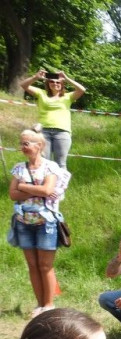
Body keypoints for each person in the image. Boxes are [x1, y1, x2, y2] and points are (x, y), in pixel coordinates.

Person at [9, 128, 70, 319]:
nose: (23, 147)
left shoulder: (50, 166)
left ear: (40, 145)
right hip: (23, 223)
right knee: (33, 265)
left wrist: (23, 186)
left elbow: (47, 190)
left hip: (46, 223)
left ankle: (49, 305)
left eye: (26, 143)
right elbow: (12, 194)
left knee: (45, 266)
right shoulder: (19, 168)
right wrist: (36, 189)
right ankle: (39, 304)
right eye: (21, 143)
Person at [19, 70, 85, 169]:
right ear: (48, 83)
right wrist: (35, 77)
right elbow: (23, 85)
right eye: (52, 81)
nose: (55, 84)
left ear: (62, 85)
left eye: (58, 82)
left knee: (61, 163)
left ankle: (60, 180)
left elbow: (82, 89)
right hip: (44, 132)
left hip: (62, 132)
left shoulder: (68, 96)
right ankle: (45, 180)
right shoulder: (41, 93)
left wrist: (66, 78)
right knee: (44, 161)